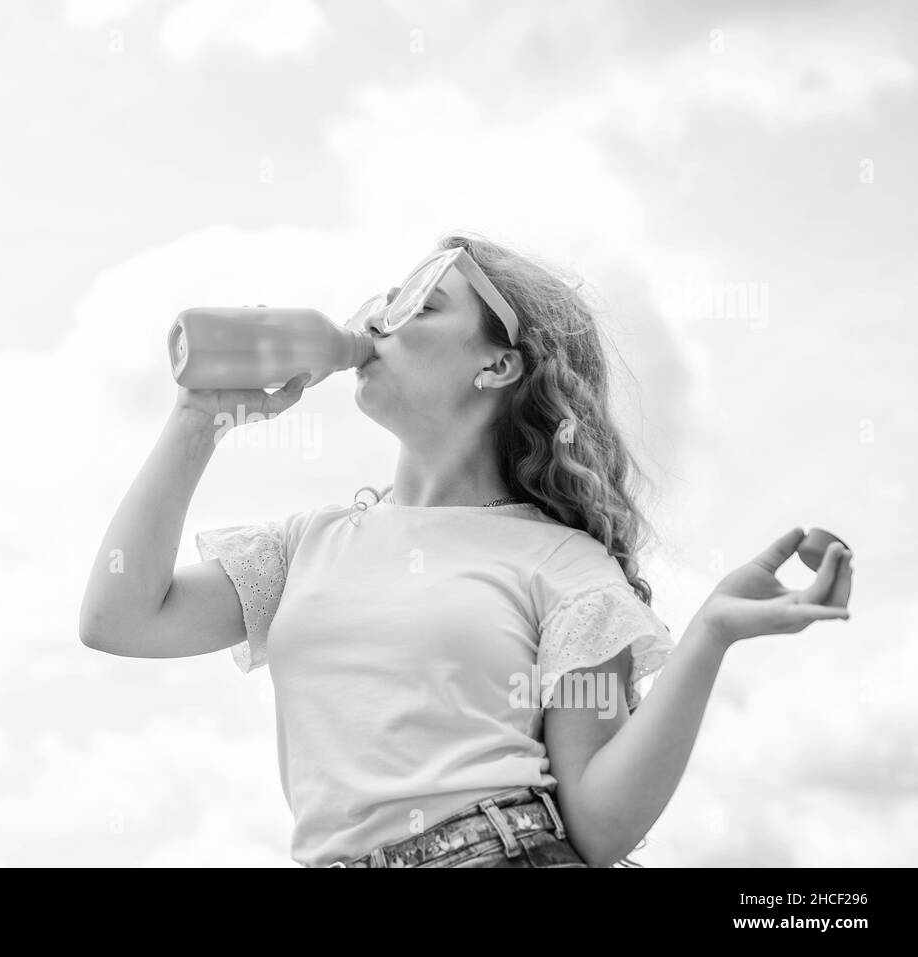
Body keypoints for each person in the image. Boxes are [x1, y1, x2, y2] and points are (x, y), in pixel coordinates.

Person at [79, 231, 855, 868]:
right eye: (386, 299)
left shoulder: (566, 569)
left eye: (423, 305)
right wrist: (197, 420)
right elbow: (119, 617)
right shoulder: (301, 548)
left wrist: (709, 636)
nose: (382, 318)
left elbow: (600, 820)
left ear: (497, 364)